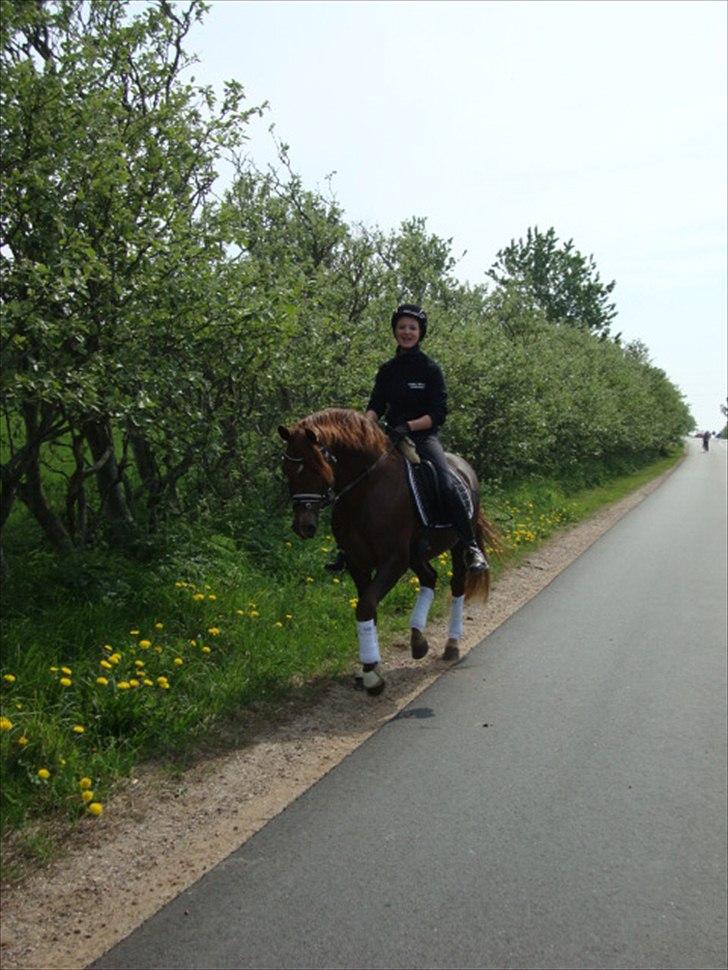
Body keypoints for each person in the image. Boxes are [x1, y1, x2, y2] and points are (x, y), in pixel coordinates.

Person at [326, 303, 488, 573]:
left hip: (423, 438)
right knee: (353, 478)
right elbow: (376, 404)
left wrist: (409, 426)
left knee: (445, 483)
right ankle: (346, 547)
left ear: (420, 332)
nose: (407, 332)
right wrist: (363, 427)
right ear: (395, 331)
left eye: (412, 327)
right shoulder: (387, 369)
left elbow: (438, 413)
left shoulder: (430, 369)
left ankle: (470, 546)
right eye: (402, 327)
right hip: (388, 436)